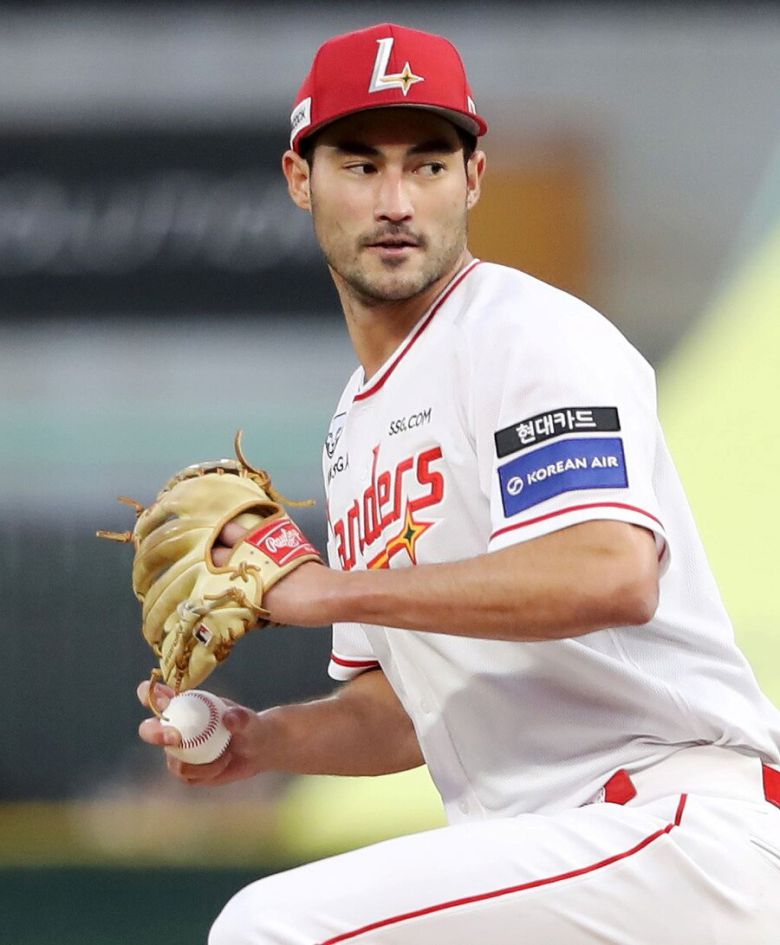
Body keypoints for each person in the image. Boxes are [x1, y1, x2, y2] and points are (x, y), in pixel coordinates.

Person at [138, 23, 780, 945]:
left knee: (269, 927)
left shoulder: (523, 333)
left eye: (428, 165)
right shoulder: (353, 429)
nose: (396, 200)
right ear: (299, 178)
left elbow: (611, 572)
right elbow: (408, 712)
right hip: (559, 856)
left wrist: (327, 590)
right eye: (361, 165)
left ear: (473, 178)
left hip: (669, 827)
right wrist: (261, 738)